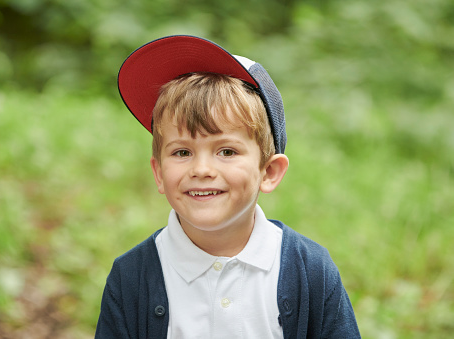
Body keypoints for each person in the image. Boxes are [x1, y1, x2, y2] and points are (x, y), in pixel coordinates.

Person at [95, 35, 360, 338]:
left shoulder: (311, 272)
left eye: (227, 152)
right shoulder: (131, 277)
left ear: (269, 171)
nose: (202, 170)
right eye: (182, 152)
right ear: (158, 173)